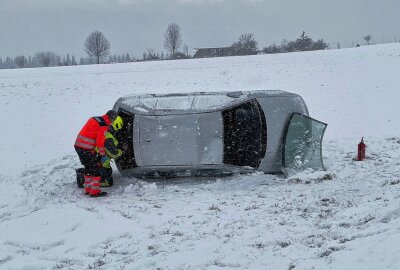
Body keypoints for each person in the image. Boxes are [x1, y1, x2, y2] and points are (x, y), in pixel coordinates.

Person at [74, 110, 117, 197]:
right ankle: (94, 192)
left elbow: (90, 133)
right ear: (112, 119)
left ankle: (88, 189)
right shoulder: (103, 125)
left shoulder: (96, 119)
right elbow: (100, 142)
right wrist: (102, 154)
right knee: (97, 168)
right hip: (85, 148)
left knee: (89, 168)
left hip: (79, 145)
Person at [96, 115, 124, 187]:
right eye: (118, 128)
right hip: (100, 159)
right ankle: (97, 181)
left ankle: (96, 177)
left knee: (107, 170)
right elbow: (113, 153)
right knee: (106, 173)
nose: (117, 130)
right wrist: (122, 151)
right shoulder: (108, 137)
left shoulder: (107, 132)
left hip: (99, 157)